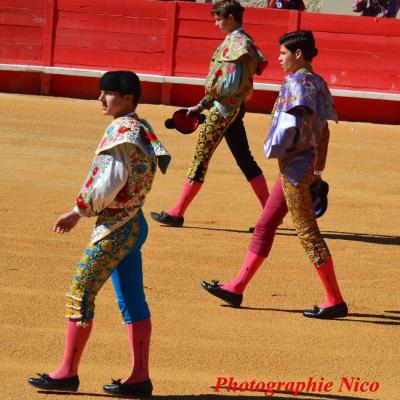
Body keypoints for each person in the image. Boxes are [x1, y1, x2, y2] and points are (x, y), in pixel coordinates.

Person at [28, 71, 171, 396]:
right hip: (135, 221)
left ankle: (67, 373)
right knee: (132, 300)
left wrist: (78, 212)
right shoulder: (143, 127)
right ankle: (139, 377)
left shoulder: (121, 130)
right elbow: (163, 157)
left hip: (115, 227)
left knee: (80, 293)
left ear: (128, 98)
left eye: (107, 93)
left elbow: (111, 180)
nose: (101, 99)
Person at [202, 31, 348, 320]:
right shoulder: (317, 82)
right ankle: (236, 286)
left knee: (307, 231)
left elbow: (288, 128)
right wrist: (317, 169)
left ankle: (335, 299)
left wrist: (278, 150)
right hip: (300, 166)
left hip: (294, 167)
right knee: (265, 225)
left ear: (298, 54)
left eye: (283, 53)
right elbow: (325, 131)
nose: (278, 58)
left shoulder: (297, 83)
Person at [151, 0, 269, 228]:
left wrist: (207, 104)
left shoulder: (239, 44)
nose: (216, 23)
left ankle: (177, 212)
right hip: (230, 107)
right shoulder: (242, 42)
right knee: (245, 160)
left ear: (231, 18)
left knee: (200, 158)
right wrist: (200, 105)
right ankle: (269, 215)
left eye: (218, 18)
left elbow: (229, 85)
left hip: (224, 109)